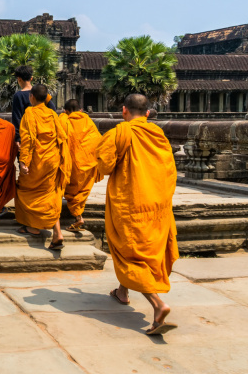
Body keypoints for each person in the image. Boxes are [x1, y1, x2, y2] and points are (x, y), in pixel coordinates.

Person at [96, 93, 179, 335]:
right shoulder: (158, 135)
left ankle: (157, 304)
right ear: (147, 114)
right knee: (137, 251)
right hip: (157, 205)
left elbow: (104, 166)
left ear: (124, 111)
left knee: (131, 254)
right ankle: (123, 292)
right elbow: (169, 170)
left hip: (130, 204)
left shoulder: (119, 133)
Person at [14, 84, 71, 250]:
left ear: (31, 97)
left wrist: (23, 161)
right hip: (52, 160)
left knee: (27, 191)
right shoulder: (53, 114)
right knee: (50, 193)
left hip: (37, 162)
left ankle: (33, 226)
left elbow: (29, 140)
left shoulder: (30, 114)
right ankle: (57, 232)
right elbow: (62, 138)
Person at [62, 99, 103, 231]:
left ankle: (78, 216)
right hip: (88, 161)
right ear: (80, 110)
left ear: (66, 111)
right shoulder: (88, 121)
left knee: (71, 188)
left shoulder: (64, 120)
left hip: (72, 163)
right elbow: (96, 139)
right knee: (83, 188)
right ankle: (78, 215)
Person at [11, 65, 56, 145]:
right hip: (44, 134)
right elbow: (53, 110)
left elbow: (17, 118)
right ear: (31, 78)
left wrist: (18, 137)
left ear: (19, 79)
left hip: (27, 135)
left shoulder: (18, 95)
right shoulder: (41, 92)